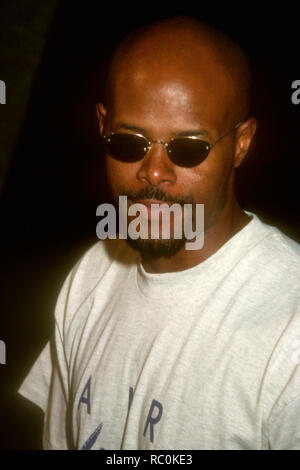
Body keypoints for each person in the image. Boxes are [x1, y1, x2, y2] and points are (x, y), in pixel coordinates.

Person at [18, 16, 300, 450]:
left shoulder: (289, 329)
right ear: (102, 125)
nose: (153, 171)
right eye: (130, 142)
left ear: (242, 143)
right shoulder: (90, 277)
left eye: (188, 148)